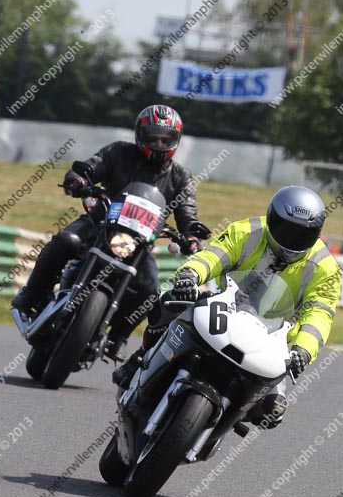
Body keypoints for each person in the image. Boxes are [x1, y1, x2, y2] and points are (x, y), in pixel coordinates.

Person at [113, 185, 341, 429]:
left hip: (273, 340)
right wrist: (190, 275)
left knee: (273, 411)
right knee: (169, 302)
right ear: (272, 219)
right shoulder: (248, 231)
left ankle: (226, 421)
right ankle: (141, 358)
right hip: (224, 307)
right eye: (286, 230)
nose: (291, 241)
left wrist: (303, 351)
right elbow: (213, 256)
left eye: (301, 235)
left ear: (316, 233)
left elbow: (319, 313)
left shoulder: (325, 268)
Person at [11, 104, 202, 360]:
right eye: (153, 136)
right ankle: (30, 295)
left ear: (175, 141)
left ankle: (117, 338)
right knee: (66, 240)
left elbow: (188, 213)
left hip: (139, 242)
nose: (158, 143)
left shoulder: (180, 178)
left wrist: (191, 235)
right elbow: (90, 167)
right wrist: (78, 178)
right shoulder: (119, 152)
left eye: (165, 138)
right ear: (140, 134)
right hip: (100, 221)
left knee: (150, 288)